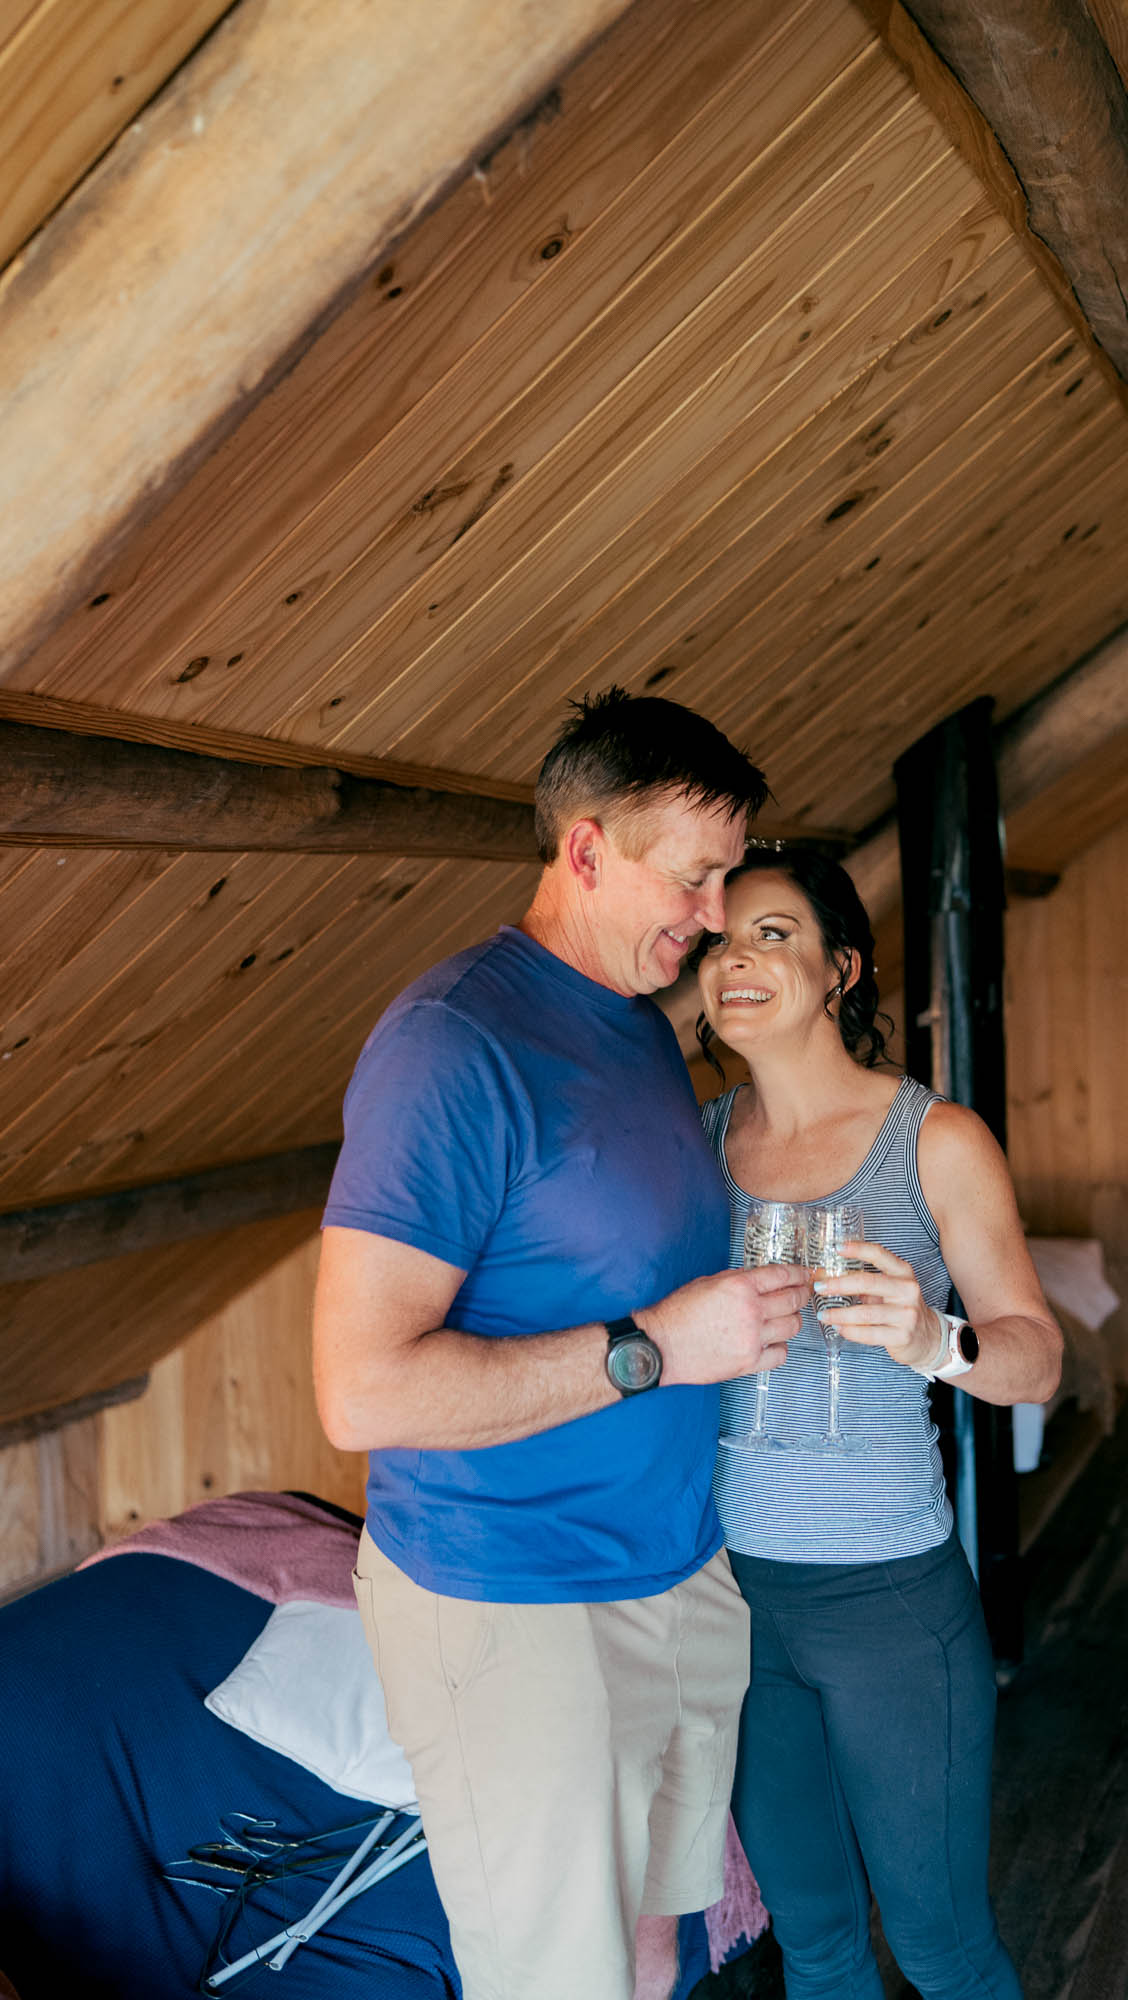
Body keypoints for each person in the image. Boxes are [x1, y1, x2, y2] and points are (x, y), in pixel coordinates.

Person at [311, 690, 809, 2000]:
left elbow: (611, 1262)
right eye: (692, 877)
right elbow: (360, 1392)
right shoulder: (452, 1048)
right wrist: (653, 1348)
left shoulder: (638, 1025)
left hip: (670, 1569)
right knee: (560, 1979)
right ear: (586, 850)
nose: (711, 915)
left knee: (656, 1947)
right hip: (513, 1602)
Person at [693, 845, 1063, 2000]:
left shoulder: (935, 1139)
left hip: (888, 1598)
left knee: (942, 1948)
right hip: (731, 1602)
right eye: (715, 938)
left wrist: (932, 1341)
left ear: (841, 966)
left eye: (771, 933)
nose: (734, 959)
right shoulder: (695, 1140)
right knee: (812, 1942)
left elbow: (1036, 1357)